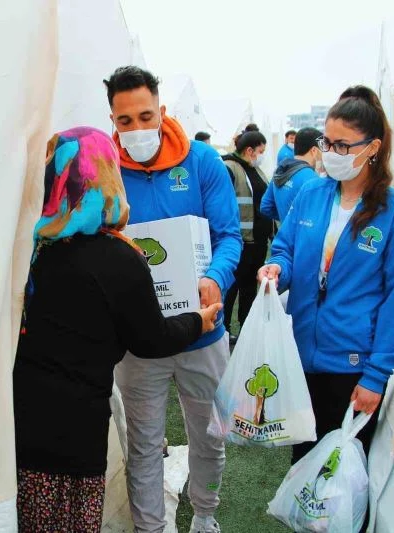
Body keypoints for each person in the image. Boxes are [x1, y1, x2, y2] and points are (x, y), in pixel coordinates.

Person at [14, 126, 223, 533]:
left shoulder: (34, 248)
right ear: (109, 179)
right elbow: (150, 339)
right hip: (77, 430)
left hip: (23, 421)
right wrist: (197, 320)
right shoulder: (118, 257)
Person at [104, 65, 241, 533]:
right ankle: (151, 529)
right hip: (140, 340)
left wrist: (215, 277)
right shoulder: (108, 169)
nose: (137, 129)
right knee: (145, 444)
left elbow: (228, 236)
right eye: (125, 121)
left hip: (203, 331)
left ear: (161, 112)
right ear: (112, 121)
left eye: (146, 116)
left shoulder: (202, 162)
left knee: (210, 436)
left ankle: (205, 514)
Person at [258, 86, 394, 469]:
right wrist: (277, 269)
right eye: (327, 143)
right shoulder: (312, 194)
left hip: (352, 369)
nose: (331, 153)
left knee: (340, 475)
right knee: (303, 466)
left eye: (343, 146)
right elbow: (286, 248)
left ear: (373, 147)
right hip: (302, 358)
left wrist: (376, 375)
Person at [221, 131, 273, 343]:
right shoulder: (229, 167)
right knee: (231, 289)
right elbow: (224, 204)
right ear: (250, 150)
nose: (262, 155)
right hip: (239, 242)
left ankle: (247, 331)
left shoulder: (256, 169)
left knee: (249, 289)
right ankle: (224, 331)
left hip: (257, 242)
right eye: (261, 151)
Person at [261, 127, 324, 221]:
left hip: (284, 229)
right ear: (314, 151)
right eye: (322, 149)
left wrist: (287, 221)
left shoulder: (280, 171)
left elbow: (265, 207)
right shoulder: (312, 179)